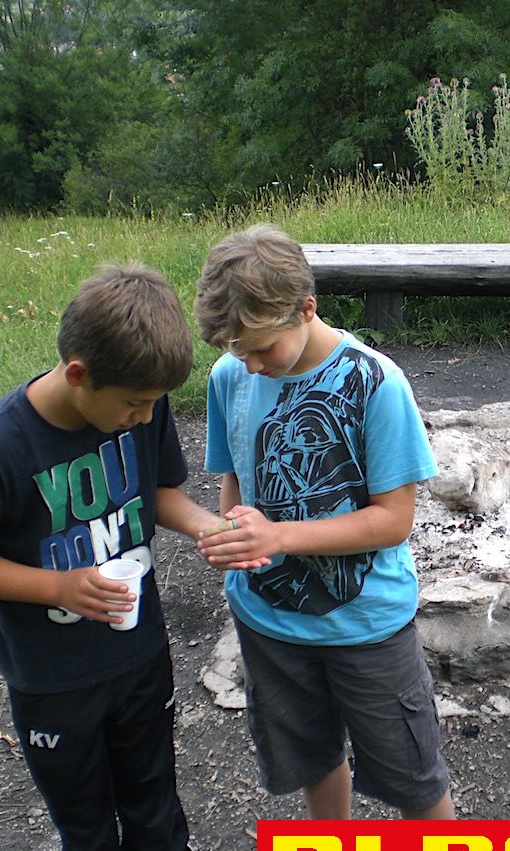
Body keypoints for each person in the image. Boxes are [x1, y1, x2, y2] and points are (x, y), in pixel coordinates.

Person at [0, 263, 236, 851]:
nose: (145, 417)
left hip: (139, 653)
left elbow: (158, 491)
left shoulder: (141, 405)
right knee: (87, 832)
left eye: (154, 404)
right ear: (78, 374)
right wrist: (56, 587)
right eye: (135, 404)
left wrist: (209, 526)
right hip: (53, 678)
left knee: (156, 811)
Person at [192, 223, 454, 820]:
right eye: (236, 351)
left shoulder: (376, 382)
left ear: (306, 309)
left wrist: (279, 535)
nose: (251, 365)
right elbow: (238, 477)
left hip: (366, 626)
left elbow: (393, 521)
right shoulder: (230, 375)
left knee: (413, 777)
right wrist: (233, 535)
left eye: (263, 349)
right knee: (311, 759)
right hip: (268, 620)